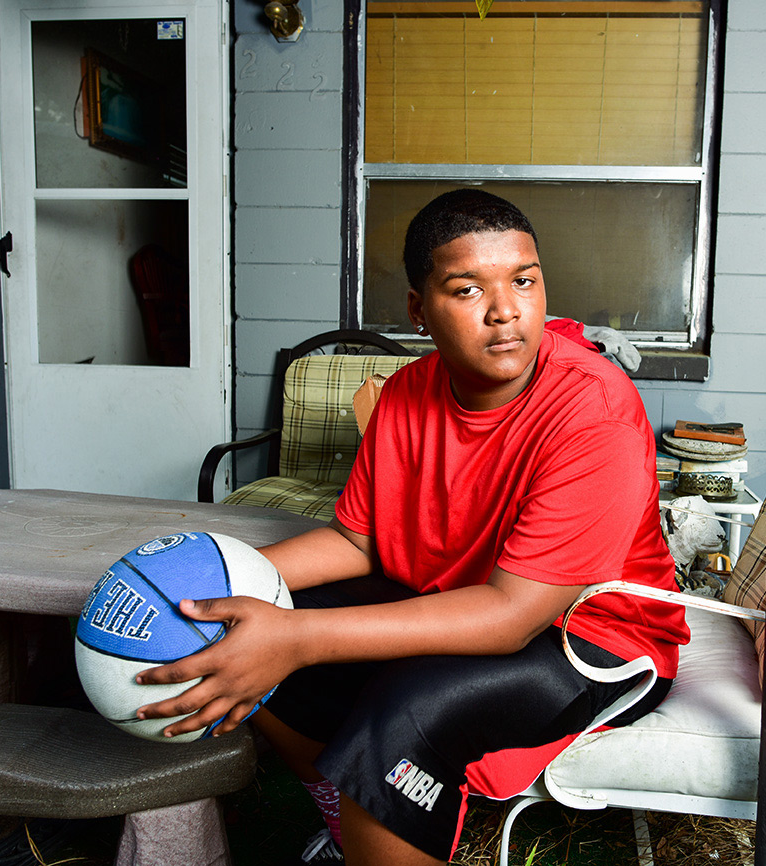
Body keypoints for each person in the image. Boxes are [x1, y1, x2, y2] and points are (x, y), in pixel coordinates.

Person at [135, 189, 689, 865]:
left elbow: (513, 616)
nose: (506, 310)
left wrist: (299, 638)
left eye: (524, 280)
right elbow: (357, 540)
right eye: (466, 289)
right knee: (258, 621)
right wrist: (218, 583)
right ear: (419, 310)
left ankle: (381, 810)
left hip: (592, 638)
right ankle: (355, 827)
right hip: (464, 598)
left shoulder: (594, 409)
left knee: (400, 714)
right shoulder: (403, 394)